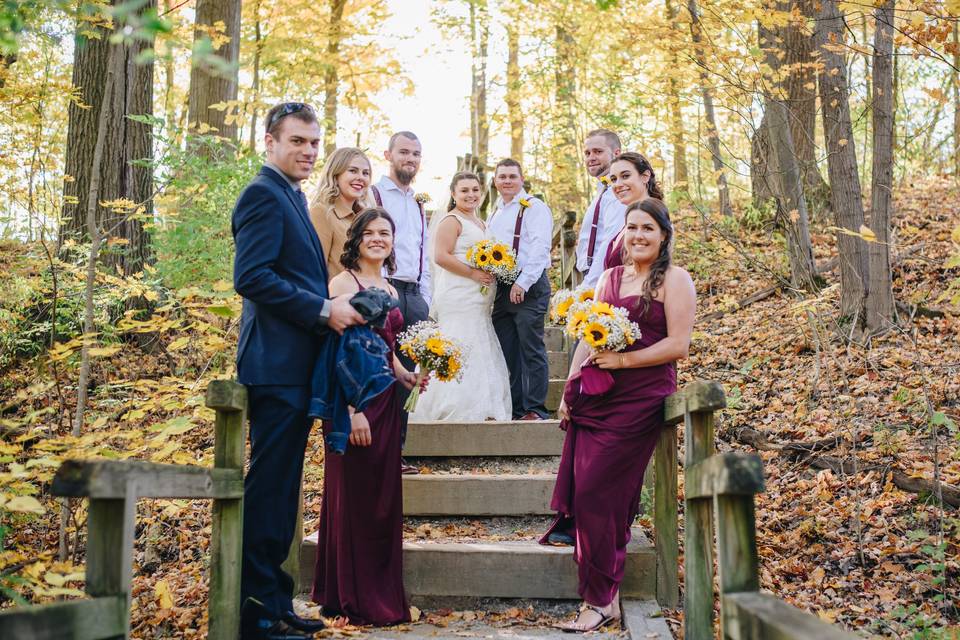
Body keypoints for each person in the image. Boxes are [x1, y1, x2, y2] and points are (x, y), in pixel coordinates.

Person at [232, 102, 365, 640]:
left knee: (284, 490)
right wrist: (321, 309)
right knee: (269, 490)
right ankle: (257, 615)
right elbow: (252, 277)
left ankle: (278, 604)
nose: (309, 151)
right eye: (298, 142)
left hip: (296, 368)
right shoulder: (262, 195)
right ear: (270, 141)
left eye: (314, 142)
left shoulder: (291, 196)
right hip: (274, 366)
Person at [542, 198, 696, 632]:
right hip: (596, 394)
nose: (639, 235)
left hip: (641, 396)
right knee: (588, 490)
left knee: (597, 491)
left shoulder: (675, 281)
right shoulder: (610, 278)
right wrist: (569, 390)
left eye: (648, 228)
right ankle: (603, 596)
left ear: (663, 234)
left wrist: (626, 363)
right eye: (632, 227)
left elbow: (678, 345)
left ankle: (599, 595)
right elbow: (588, 340)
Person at [311, 208, 417, 626]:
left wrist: (405, 373)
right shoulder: (343, 282)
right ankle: (348, 594)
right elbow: (341, 350)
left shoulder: (388, 287)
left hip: (387, 402)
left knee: (381, 499)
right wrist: (353, 411)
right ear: (355, 239)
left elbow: (384, 344)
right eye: (369, 233)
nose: (378, 239)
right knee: (354, 495)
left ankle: (376, 588)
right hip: (353, 401)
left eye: (385, 233)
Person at [410, 172, 511, 422]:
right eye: (464, 190)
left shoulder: (481, 222)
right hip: (458, 294)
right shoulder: (452, 220)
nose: (471, 195)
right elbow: (441, 256)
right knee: (459, 340)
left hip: (479, 298)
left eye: (475, 190)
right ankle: (446, 406)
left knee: (478, 342)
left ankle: (482, 405)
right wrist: (473, 274)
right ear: (453, 194)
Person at [371, 131, 429, 473]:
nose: (410, 158)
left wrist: (425, 297)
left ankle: (397, 450)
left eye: (416, 154)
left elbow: (421, 253)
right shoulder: (375, 194)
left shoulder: (417, 201)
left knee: (408, 373)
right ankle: (378, 448)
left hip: (413, 293)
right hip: (384, 289)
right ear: (388, 154)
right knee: (382, 371)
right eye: (404, 152)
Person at [488, 159, 553, 421]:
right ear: (494, 181)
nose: (506, 180)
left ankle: (535, 409)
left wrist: (523, 282)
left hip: (529, 285)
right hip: (502, 288)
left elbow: (540, 248)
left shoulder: (534, 208)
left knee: (531, 348)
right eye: (501, 176)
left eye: (512, 176)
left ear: (522, 179)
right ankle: (514, 409)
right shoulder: (495, 213)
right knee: (507, 351)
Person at [309, 147, 375, 279]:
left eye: (365, 173)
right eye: (352, 171)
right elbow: (314, 269)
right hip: (335, 297)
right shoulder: (322, 212)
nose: (360, 178)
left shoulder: (365, 217)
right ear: (335, 174)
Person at [574, 129, 626, 289]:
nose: (591, 158)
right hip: (591, 275)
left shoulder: (619, 192)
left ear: (616, 153)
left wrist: (588, 286)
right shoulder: (602, 191)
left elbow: (609, 242)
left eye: (598, 151)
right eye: (587, 153)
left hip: (605, 277)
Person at [602, 152, 663, 270]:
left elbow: (656, 272)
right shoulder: (628, 221)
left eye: (625, 176)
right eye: (614, 179)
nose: (618, 184)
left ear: (645, 176)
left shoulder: (655, 219)